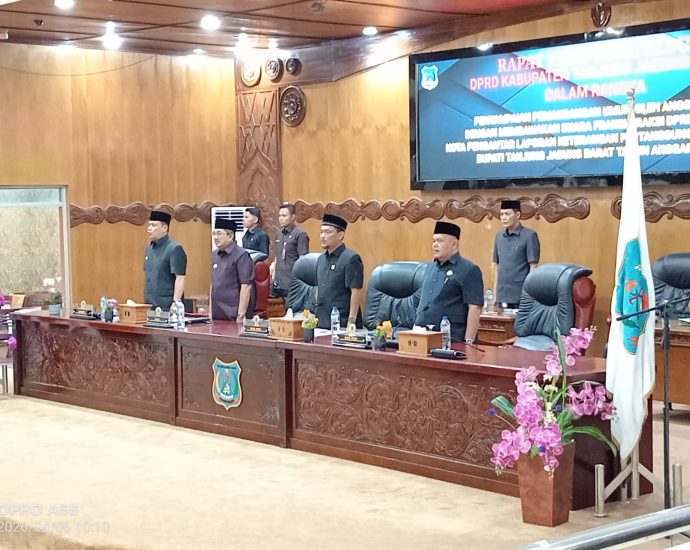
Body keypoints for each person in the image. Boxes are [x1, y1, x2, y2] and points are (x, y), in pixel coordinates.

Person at [415, 221, 483, 343]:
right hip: (422, 336)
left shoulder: (469, 270)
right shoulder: (430, 268)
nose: (435, 245)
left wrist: (469, 342)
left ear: (454, 244)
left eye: (440, 241)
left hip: (452, 340)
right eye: (433, 241)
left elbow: (475, 309)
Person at [315, 214, 363, 329]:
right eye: (321, 232)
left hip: (342, 323)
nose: (323, 236)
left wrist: (351, 321)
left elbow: (356, 292)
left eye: (327, 232)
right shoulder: (320, 259)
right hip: (321, 323)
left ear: (340, 235)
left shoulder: (351, 259)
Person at [492, 199, 540, 309]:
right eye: (501, 214)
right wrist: (495, 294)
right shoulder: (499, 237)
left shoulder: (529, 235)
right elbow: (497, 266)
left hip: (521, 296)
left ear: (517, 215)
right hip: (501, 296)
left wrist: (529, 296)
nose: (503, 218)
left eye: (507, 214)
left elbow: (533, 268)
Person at [210, 218, 255, 322]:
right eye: (214, 234)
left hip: (234, 315)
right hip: (217, 314)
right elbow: (213, 284)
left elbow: (246, 286)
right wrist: (210, 311)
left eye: (219, 234)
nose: (215, 237)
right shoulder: (215, 255)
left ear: (230, 236)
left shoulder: (241, 255)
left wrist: (241, 314)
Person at [144, 210, 187, 310]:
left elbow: (180, 278)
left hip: (167, 306)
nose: (149, 228)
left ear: (164, 228)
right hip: (150, 305)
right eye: (149, 225)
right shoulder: (149, 248)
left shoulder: (174, 248)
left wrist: (175, 304)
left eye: (153, 225)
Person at [272, 202, 310, 299]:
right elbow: (277, 257)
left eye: (284, 216)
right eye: (279, 215)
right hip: (278, 282)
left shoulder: (300, 234)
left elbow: (303, 261)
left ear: (293, 217)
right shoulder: (279, 234)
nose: (281, 218)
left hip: (292, 283)